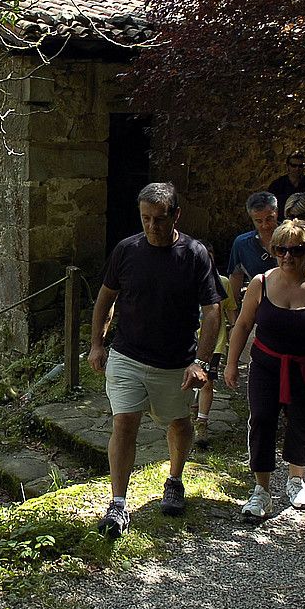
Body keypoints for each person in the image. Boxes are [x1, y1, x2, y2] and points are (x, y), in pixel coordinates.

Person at [89, 182, 223, 535]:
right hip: (128, 355)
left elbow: (212, 310)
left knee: (178, 423)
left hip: (174, 362)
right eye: (145, 218)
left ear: (176, 215)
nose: (152, 226)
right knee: (125, 423)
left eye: (159, 219)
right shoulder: (126, 250)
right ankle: (118, 504)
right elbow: (105, 298)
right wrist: (97, 344)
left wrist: (202, 362)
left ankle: (175, 479)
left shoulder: (194, 255)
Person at [225, 220, 305, 519]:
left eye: (295, 250)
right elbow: (242, 324)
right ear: (273, 251)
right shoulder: (261, 282)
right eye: (281, 249)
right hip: (267, 366)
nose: (287, 256)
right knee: (262, 421)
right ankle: (261, 491)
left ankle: (296, 480)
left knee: (302, 422)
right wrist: (231, 363)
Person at [194, 250, 237, 448]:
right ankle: (189, 416)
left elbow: (230, 309)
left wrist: (236, 331)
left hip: (213, 342)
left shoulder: (222, 282)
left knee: (207, 383)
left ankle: (201, 422)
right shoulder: (184, 278)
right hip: (187, 342)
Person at [227, 192, 281, 309]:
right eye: (259, 221)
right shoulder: (242, 245)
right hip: (260, 308)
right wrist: (233, 317)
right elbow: (236, 278)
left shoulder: (292, 238)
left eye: (269, 219)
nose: (265, 225)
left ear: (276, 212)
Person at [267, 151, 305, 227]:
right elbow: (270, 210)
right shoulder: (277, 185)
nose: (297, 169)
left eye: (300, 166)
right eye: (293, 165)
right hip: (283, 227)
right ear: (288, 166)